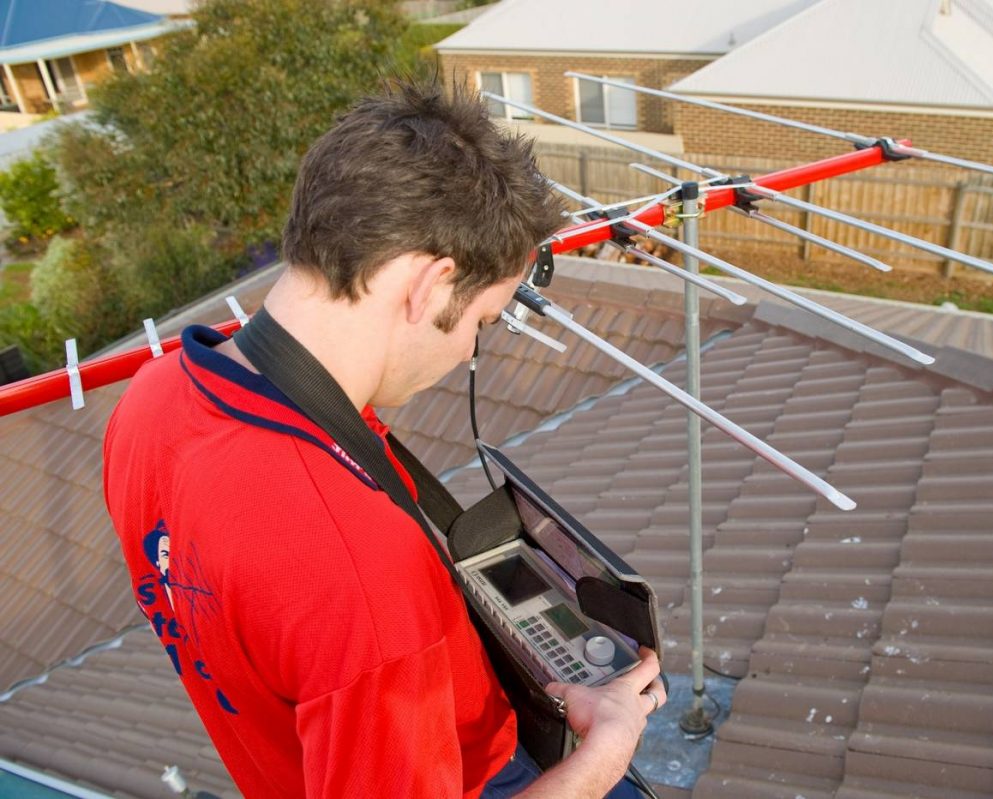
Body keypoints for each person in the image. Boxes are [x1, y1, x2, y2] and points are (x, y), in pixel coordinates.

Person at [103, 78, 666, 799]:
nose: (468, 353)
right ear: (431, 286)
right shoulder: (363, 577)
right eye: (481, 322)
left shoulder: (152, 398)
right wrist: (607, 749)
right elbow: (341, 589)